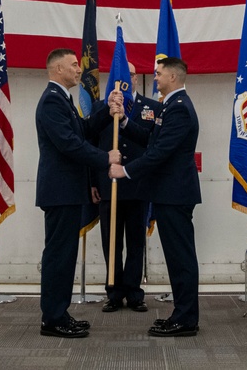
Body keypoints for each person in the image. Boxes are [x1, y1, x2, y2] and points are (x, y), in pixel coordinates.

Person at [109, 57, 201, 337]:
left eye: (159, 74)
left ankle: (186, 319)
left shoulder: (180, 108)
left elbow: (160, 153)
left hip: (175, 194)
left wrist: (124, 170)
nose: (155, 77)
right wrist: (124, 120)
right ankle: (181, 314)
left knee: (181, 257)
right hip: (168, 193)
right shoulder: (171, 105)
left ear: (173, 77)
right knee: (176, 257)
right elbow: (152, 140)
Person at [35, 48, 120, 338]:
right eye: (73, 65)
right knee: (59, 256)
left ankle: (59, 312)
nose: (78, 70)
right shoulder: (51, 101)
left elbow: (82, 130)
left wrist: (107, 112)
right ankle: (53, 318)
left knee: (65, 255)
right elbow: (69, 144)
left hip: (67, 191)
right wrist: (105, 157)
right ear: (57, 69)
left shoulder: (63, 100)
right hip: (60, 192)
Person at [92, 62, 160, 314]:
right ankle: (113, 291)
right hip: (108, 184)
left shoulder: (151, 108)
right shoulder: (101, 108)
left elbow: (152, 143)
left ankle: (133, 292)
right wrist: (92, 182)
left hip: (137, 184)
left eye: (130, 74)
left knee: (135, 242)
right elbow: (92, 145)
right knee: (111, 242)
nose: (126, 79)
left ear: (135, 77)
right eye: (121, 74)